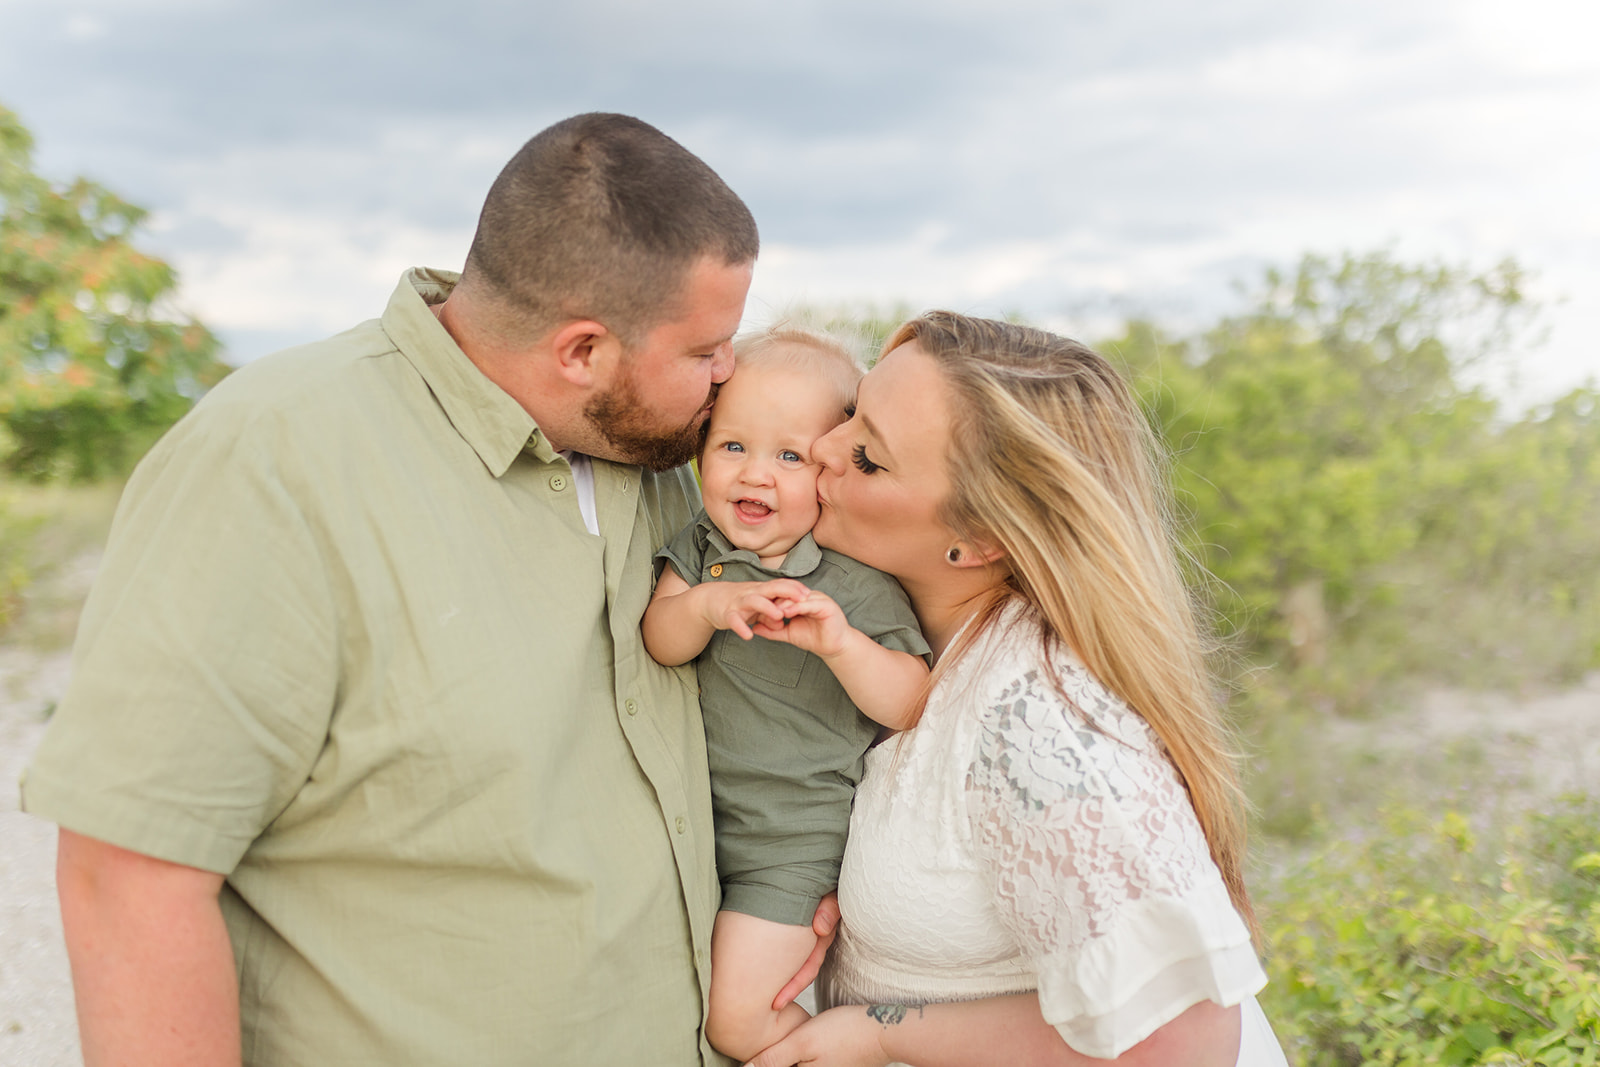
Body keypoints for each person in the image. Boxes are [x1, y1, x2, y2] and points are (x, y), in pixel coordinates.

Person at [18, 112, 814, 1067]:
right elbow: (130, 871)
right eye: (706, 351)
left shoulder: (676, 461)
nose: (732, 374)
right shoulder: (275, 459)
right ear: (581, 352)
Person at [750, 311, 1288, 1066]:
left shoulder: (1039, 717)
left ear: (978, 540)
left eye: (867, 457)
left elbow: (1185, 1039)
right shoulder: (894, 637)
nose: (824, 450)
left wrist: (879, 1030)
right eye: (848, 414)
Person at [641, 327, 931, 1061]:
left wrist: (841, 643)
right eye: (732, 446)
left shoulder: (854, 585)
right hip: (695, 830)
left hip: (790, 846)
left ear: (831, 470)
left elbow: (908, 701)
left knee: (736, 1021)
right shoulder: (704, 550)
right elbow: (660, 638)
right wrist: (707, 606)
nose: (753, 476)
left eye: (789, 456)